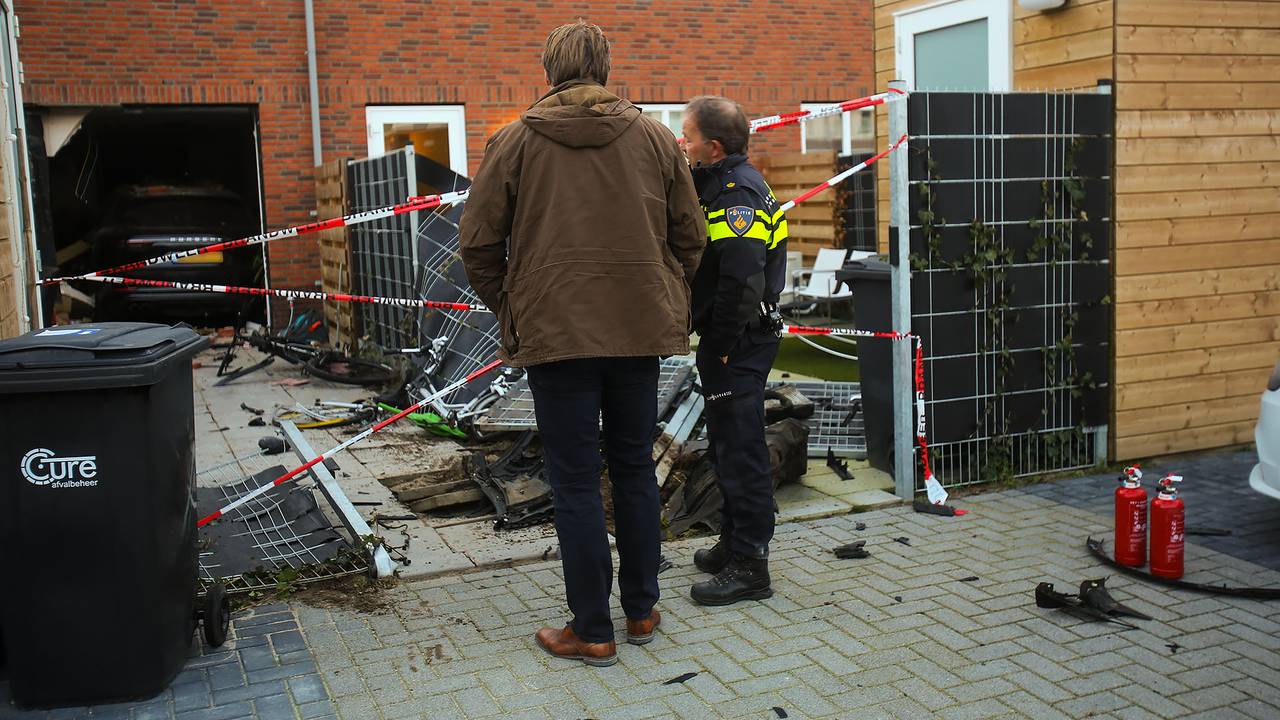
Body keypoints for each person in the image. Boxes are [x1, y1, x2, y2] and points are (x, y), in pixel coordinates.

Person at [459, 20, 704, 666]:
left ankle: (592, 628)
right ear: (604, 66)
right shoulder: (655, 138)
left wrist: (514, 306)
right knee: (632, 468)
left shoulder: (511, 144)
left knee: (572, 481)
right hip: (637, 330)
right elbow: (691, 237)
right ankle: (642, 610)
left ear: (549, 70)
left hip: (556, 336)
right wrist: (668, 295)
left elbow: (478, 247)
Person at [680, 96, 789, 606]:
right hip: (733, 341)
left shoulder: (737, 194)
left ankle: (751, 565)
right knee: (726, 443)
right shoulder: (725, 183)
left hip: (738, 343)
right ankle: (732, 541)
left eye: (689, 136)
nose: (684, 143)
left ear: (714, 145)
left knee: (742, 450)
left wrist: (719, 346)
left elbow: (742, 282)